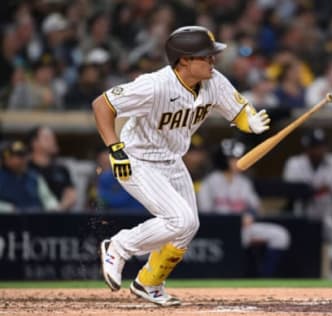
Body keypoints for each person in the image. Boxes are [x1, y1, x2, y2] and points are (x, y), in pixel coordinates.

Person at [92, 26, 270, 306]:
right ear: (184, 60)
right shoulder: (154, 85)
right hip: (138, 159)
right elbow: (102, 105)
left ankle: (148, 283)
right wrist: (115, 149)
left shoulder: (215, 81)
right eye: (206, 56)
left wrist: (251, 122)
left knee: (189, 227)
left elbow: (239, 112)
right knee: (180, 220)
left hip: (173, 160)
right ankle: (118, 246)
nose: (213, 61)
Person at [198, 138, 290, 277]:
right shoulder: (210, 182)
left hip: (243, 228)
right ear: (224, 160)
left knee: (280, 235)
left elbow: (256, 208)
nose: (238, 162)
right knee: (239, 240)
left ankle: (264, 277)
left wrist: (249, 216)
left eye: (239, 158)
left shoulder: (244, 183)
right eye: (233, 159)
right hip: (220, 231)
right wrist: (234, 220)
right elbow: (205, 213)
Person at [283, 129, 332, 279]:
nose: (319, 150)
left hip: (326, 219)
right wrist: (316, 190)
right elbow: (292, 194)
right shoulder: (295, 164)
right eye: (315, 147)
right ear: (307, 148)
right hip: (303, 220)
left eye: (321, 146)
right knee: (299, 253)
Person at [27, 126, 77, 211]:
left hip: (58, 218)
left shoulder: (61, 169)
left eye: (53, 138)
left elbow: (71, 194)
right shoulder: (25, 168)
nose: (53, 141)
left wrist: (57, 209)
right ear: (34, 142)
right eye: (47, 138)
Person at [0, 140, 59, 213]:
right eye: (19, 156)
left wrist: (53, 208)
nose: (24, 159)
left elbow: (48, 199)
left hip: (35, 219)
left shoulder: (35, 177)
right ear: (7, 159)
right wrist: (10, 209)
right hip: (7, 221)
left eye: (24, 155)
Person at [94, 147, 146, 214]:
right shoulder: (102, 178)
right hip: (113, 216)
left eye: (108, 163)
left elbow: (122, 199)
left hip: (137, 215)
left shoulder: (130, 174)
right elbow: (100, 199)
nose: (106, 167)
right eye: (103, 163)